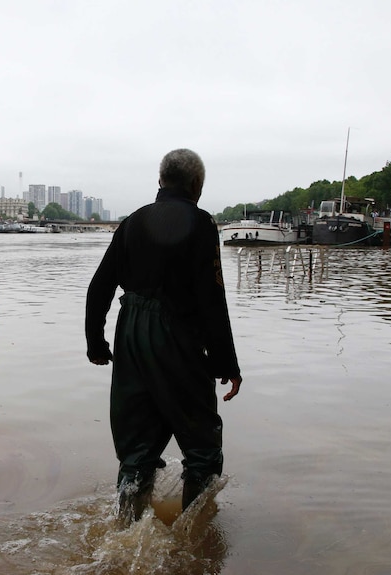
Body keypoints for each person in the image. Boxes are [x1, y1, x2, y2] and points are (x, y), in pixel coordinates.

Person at [84, 148, 242, 525]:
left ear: (160, 181)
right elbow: (211, 299)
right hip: (175, 335)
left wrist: (96, 343)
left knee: (136, 450)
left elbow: (99, 287)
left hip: (130, 335)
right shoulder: (201, 224)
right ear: (196, 184)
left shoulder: (132, 223)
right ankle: (196, 539)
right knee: (202, 447)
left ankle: (123, 534)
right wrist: (226, 363)